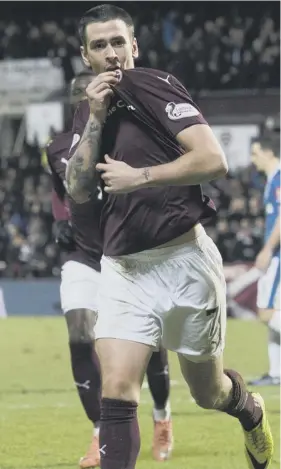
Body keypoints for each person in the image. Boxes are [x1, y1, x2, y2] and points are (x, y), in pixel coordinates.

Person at [66, 5, 273, 469]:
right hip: (123, 269)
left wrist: (139, 177)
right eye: (99, 45)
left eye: (119, 42)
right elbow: (78, 189)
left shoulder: (152, 86)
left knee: (209, 391)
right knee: (116, 389)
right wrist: (96, 115)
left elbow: (213, 159)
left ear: (134, 47)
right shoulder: (89, 109)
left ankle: (251, 411)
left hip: (184, 261)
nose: (111, 53)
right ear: (85, 56)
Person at [46, 71, 174, 467]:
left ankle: (162, 416)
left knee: (150, 347)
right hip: (84, 258)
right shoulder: (57, 148)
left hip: (132, 256)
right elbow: (62, 189)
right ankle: (99, 432)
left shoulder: (132, 135)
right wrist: (59, 218)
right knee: (81, 334)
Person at [248, 136, 280, 386]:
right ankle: (276, 373)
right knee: (273, 315)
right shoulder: (270, 180)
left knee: (267, 314)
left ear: (269, 153)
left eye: (255, 153)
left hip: (278, 255)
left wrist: (268, 249)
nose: (252, 159)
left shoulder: (279, 178)